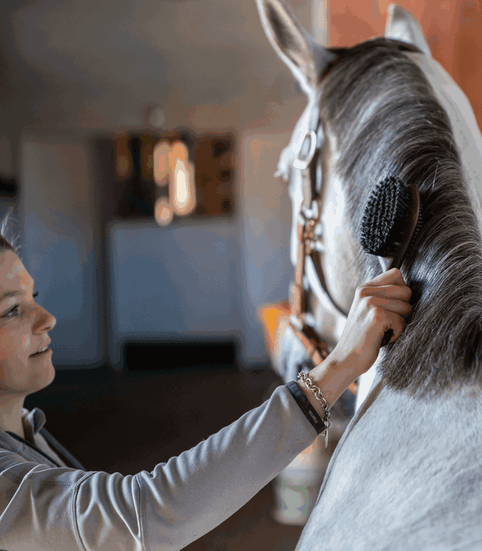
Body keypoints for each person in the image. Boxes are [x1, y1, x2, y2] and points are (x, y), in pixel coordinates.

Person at [0, 217, 412, 550]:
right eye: (13, 310)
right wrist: (339, 366)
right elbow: (147, 515)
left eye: (35, 296)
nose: (46, 318)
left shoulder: (27, 431)